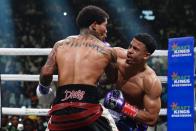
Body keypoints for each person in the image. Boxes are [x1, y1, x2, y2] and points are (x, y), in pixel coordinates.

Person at [36, 5, 118, 131]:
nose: (106, 30)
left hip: (60, 112)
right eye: (105, 25)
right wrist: (98, 79)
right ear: (94, 25)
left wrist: (43, 88)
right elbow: (113, 78)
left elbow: (46, 73)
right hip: (89, 113)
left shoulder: (60, 44)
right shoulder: (107, 50)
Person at [103, 33, 162, 131]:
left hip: (132, 120)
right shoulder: (117, 55)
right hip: (111, 113)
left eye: (135, 49)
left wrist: (122, 106)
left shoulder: (150, 81)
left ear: (146, 55)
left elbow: (152, 118)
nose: (129, 51)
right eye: (130, 46)